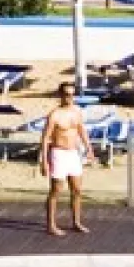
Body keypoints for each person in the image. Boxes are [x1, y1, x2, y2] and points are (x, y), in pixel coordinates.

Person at [38, 81, 91, 236]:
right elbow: (45, 138)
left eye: (72, 95)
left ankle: (76, 222)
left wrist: (89, 148)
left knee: (77, 189)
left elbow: (81, 130)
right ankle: (51, 225)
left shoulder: (77, 112)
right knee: (56, 190)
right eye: (67, 94)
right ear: (60, 95)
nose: (70, 98)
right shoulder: (54, 115)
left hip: (73, 153)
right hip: (58, 153)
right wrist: (44, 161)